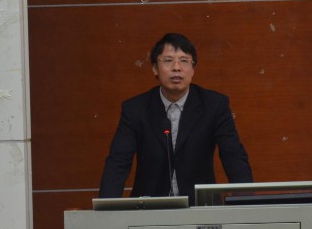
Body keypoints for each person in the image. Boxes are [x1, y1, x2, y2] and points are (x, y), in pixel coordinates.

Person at [99, 33, 253, 205]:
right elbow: (118, 162)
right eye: (168, 60)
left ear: (193, 70)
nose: (176, 68)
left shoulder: (214, 105)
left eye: (184, 61)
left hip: (200, 207)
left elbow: (233, 156)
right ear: (155, 68)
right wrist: (105, 210)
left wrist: (245, 204)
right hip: (149, 207)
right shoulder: (135, 109)